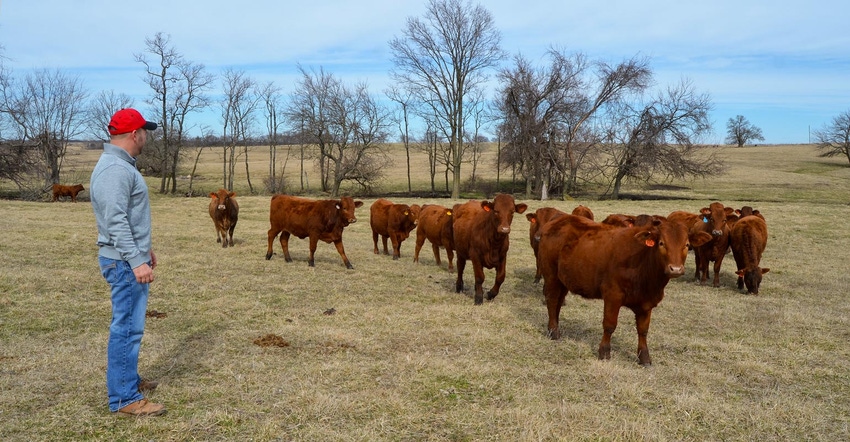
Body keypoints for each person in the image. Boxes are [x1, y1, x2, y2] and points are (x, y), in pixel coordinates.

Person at [90, 108, 165, 417]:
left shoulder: (119, 166)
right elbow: (116, 221)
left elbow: (126, 218)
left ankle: (127, 380)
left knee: (131, 327)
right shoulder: (116, 170)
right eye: (144, 132)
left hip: (127, 258)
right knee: (127, 329)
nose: (146, 136)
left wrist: (144, 250)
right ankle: (123, 398)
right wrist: (136, 260)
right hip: (122, 263)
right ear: (135, 134)